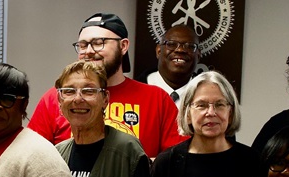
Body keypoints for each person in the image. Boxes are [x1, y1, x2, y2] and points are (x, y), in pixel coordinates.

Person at [28, 13, 184, 160]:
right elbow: (32, 156)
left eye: (98, 43)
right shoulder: (59, 97)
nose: (88, 51)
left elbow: (178, 160)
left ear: (123, 46)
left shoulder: (156, 99)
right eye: (82, 45)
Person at [144, 23, 201, 103]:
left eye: (190, 46)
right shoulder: (132, 91)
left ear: (198, 55)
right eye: (171, 44)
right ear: (158, 51)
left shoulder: (209, 94)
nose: (180, 50)